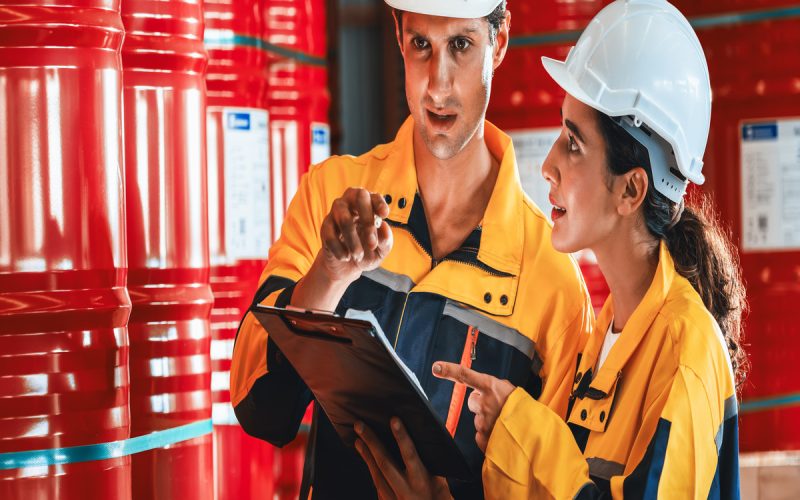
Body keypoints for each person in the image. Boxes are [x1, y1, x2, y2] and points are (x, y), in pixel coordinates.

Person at [229, 0, 593, 498]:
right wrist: (329, 275)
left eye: (461, 46)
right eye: (421, 45)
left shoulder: (553, 282)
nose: (437, 85)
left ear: (499, 42)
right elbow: (260, 410)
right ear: (398, 36)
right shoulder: (329, 197)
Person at [422, 0, 746, 497]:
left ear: (631, 190)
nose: (548, 165)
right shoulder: (603, 337)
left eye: (573, 143)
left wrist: (525, 432)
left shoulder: (685, 352)